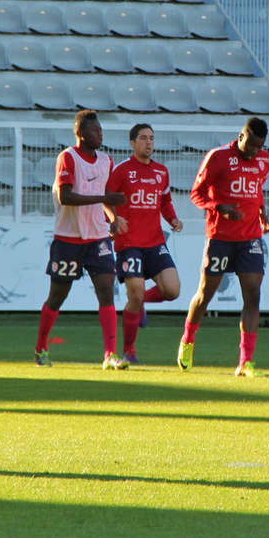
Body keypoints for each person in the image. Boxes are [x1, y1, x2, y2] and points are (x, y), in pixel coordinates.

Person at [178, 118, 269, 377]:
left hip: (250, 237)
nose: (255, 152)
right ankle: (188, 339)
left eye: (260, 147)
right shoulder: (218, 157)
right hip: (220, 237)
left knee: (253, 294)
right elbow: (196, 194)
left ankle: (246, 361)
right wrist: (218, 207)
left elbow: (257, 189)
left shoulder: (265, 159)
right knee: (205, 295)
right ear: (241, 136)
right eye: (251, 145)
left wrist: (262, 212)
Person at [33, 111, 128, 369]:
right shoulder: (68, 158)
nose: (101, 134)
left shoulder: (106, 160)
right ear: (81, 133)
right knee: (57, 297)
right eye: (96, 130)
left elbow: (105, 194)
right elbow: (66, 197)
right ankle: (41, 348)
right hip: (69, 238)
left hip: (97, 236)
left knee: (106, 289)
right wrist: (103, 200)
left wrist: (113, 217)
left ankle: (110, 355)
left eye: (101, 129)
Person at [106, 123, 184, 366]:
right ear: (132, 143)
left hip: (154, 241)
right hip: (128, 242)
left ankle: (138, 305)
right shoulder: (122, 170)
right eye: (143, 138)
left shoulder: (161, 171)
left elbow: (165, 201)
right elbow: (105, 199)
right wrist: (113, 219)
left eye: (151, 138)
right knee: (136, 292)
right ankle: (129, 350)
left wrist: (172, 218)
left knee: (172, 291)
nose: (148, 143)